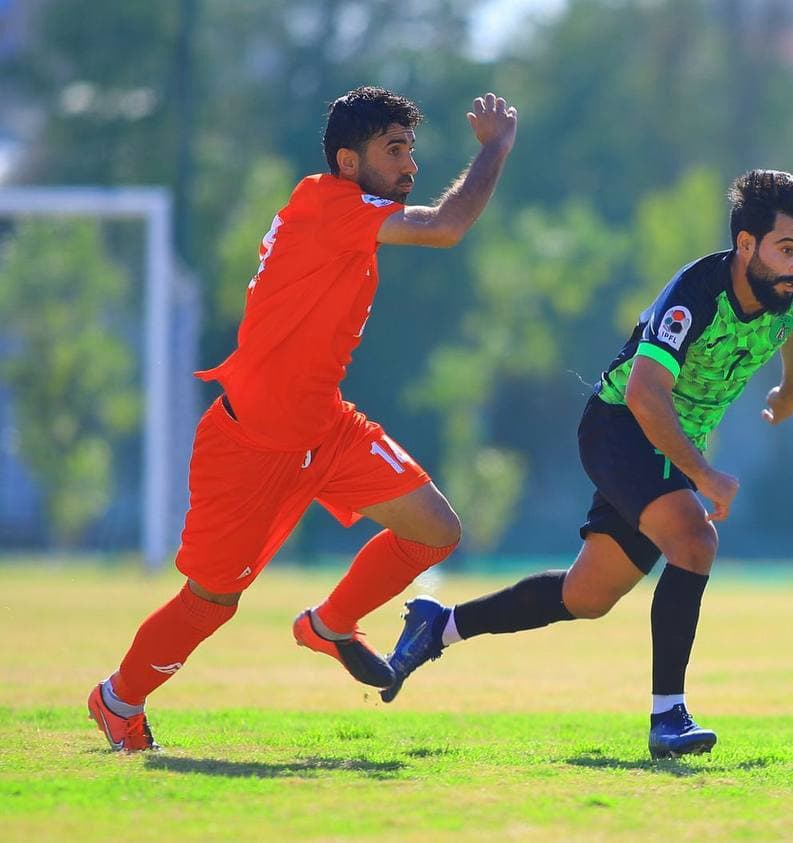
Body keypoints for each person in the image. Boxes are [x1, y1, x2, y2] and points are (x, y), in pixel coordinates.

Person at [87, 86, 518, 751]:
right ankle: (118, 698)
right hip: (250, 443)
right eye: (394, 149)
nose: (410, 165)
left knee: (435, 531)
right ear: (349, 161)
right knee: (210, 602)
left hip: (324, 428)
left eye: (412, 150)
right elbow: (445, 227)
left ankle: (331, 623)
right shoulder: (328, 203)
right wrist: (493, 148)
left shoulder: (350, 211)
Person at [380, 169, 793, 759]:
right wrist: (703, 474)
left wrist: (791, 390)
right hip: (620, 427)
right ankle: (669, 717)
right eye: (786, 248)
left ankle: (438, 626)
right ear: (746, 244)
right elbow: (644, 394)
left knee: (586, 597)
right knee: (694, 541)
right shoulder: (697, 294)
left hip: (669, 448)